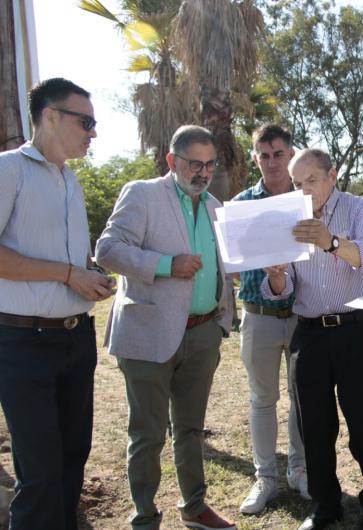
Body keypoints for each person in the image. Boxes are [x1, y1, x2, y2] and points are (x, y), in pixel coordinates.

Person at [95, 125, 236, 530]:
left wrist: (221, 321)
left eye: (210, 165)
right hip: (148, 333)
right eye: (195, 164)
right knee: (148, 433)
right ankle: (144, 516)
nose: (203, 172)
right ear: (172, 161)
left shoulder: (213, 206)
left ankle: (194, 507)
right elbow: (107, 249)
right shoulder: (142, 194)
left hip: (204, 333)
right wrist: (165, 265)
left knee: (190, 429)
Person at [0, 77, 115, 530]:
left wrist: (89, 274)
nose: (92, 132)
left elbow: (58, 255)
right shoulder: (9, 169)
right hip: (22, 341)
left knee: (72, 462)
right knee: (41, 474)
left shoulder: (70, 180)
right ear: (50, 116)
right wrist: (69, 274)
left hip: (74, 339)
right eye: (84, 121)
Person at [262, 149, 363, 530]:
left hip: (358, 329)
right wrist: (277, 274)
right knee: (314, 426)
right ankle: (325, 506)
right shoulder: (288, 216)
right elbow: (281, 291)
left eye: (311, 180)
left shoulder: (359, 208)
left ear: (332, 175)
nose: (303, 189)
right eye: (297, 183)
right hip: (310, 334)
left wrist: (330, 241)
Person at [233, 124, 309, 515]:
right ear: (255, 157)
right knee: (263, 399)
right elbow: (233, 263)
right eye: (263, 154)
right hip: (259, 316)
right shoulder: (242, 204)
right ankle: (265, 477)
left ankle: (300, 470)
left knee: (302, 398)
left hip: (301, 314)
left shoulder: (306, 199)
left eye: (279, 153)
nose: (272, 161)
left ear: (291, 153)